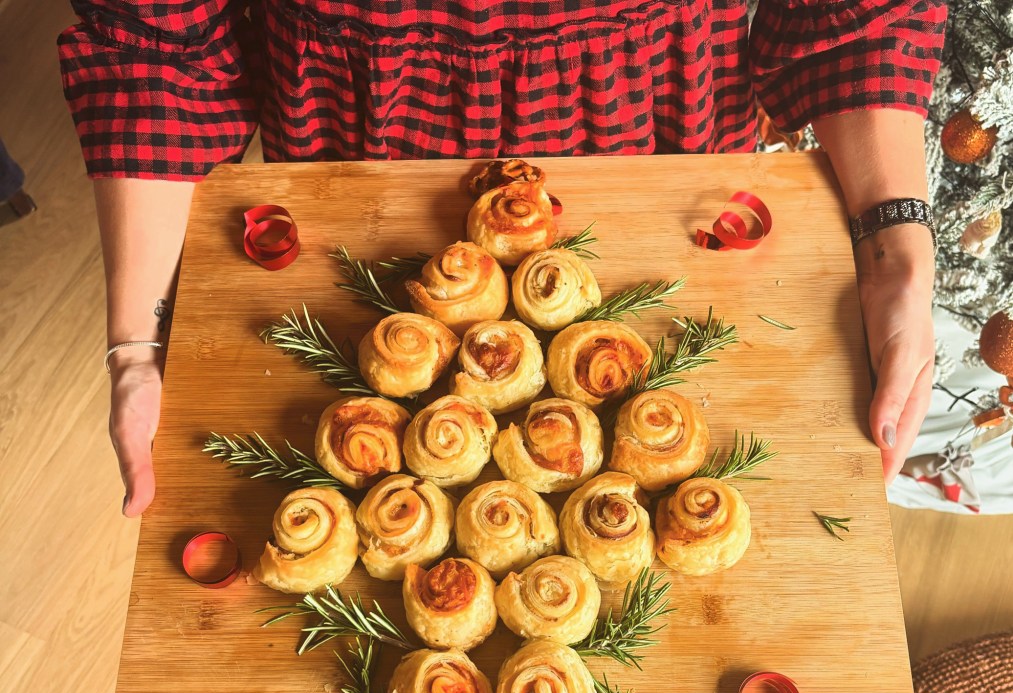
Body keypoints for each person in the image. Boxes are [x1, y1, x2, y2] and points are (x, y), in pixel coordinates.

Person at [59, 0, 947, 516]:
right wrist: (139, 341)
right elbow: (152, 44)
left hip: (659, 153)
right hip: (354, 153)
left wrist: (894, 246)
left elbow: (853, 16)